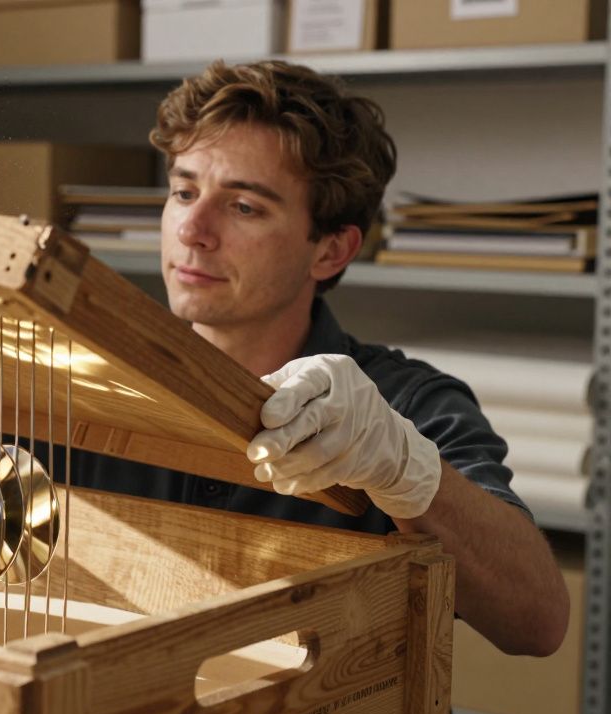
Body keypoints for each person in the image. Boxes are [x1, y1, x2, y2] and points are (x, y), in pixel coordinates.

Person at [64, 59, 568, 657]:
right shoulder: (91, 381)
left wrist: (405, 472)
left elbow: (537, 623)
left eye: (244, 206)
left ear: (331, 250)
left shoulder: (406, 405)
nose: (193, 230)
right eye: (183, 191)